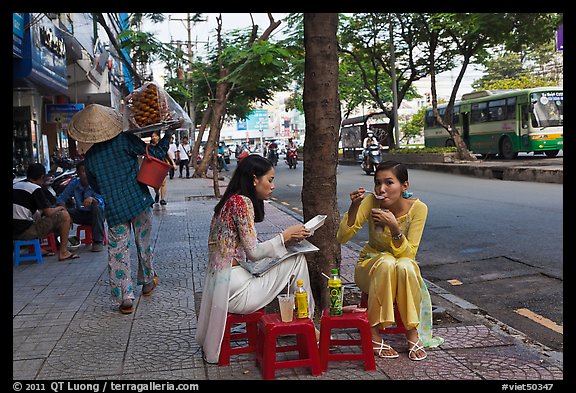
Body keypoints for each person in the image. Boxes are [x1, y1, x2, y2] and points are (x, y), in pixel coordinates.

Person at [195, 154, 316, 364]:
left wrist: (285, 243)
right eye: (269, 180)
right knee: (298, 260)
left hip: (225, 284)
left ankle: (304, 321)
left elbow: (249, 251)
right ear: (254, 179)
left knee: (291, 256)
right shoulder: (242, 203)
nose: (273, 186)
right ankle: (307, 325)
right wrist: (284, 237)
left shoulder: (229, 201)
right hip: (236, 291)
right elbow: (254, 253)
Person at [67, 103, 183, 314]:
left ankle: (125, 298)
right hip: (138, 201)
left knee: (118, 252)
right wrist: (169, 134)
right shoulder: (124, 140)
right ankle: (147, 282)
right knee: (143, 244)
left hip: (114, 210)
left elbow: (96, 186)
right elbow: (156, 152)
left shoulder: (90, 159)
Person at [336, 160, 443, 361]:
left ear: (404, 186)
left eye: (389, 183)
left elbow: (409, 255)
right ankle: (374, 333)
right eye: (377, 183)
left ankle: (412, 334)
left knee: (404, 265)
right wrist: (354, 207)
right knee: (386, 261)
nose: (381, 189)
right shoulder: (371, 202)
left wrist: (394, 228)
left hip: (402, 269)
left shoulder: (419, 209)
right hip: (369, 266)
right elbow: (342, 237)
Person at [13, 163, 78, 261]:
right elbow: (48, 212)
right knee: (64, 216)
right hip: (24, 232)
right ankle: (63, 252)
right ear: (42, 177)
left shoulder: (16, 185)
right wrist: (60, 208)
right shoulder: (35, 188)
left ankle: (37, 248)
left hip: (15, 231)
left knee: (37, 217)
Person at [55, 160, 106, 252]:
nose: (85, 174)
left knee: (97, 208)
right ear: (78, 173)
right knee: (60, 212)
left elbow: (101, 201)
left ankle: (98, 241)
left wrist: (92, 199)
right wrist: (64, 209)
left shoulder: (95, 183)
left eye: (87, 171)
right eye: (83, 171)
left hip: (96, 215)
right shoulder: (74, 183)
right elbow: (61, 199)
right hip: (81, 213)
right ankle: (59, 241)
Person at [150, 130, 174, 206]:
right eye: (153, 136)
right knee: (155, 184)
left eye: (155, 136)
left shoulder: (162, 145)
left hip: (162, 165)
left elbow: (168, 154)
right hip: (153, 166)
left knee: (163, 182)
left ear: (158, 137)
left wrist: (173, 163)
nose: (154, 137)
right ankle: (157, 193)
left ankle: (162, 199)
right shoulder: (149, 146)